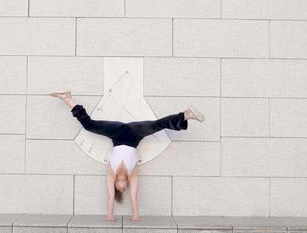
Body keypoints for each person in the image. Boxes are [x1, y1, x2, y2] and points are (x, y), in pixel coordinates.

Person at [50, 90, 205, 222]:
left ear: (116, 186)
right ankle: (187, 115)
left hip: (116, 132)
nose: (122, 189)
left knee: (89, 125)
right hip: (135, 134)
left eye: (119, 190)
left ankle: (68, 99)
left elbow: (110, 198)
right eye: (124, 190)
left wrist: (110, 215)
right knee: (158, 125)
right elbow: (134, 196)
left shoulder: (111, 174)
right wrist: (135, 215)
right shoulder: (132, 175)